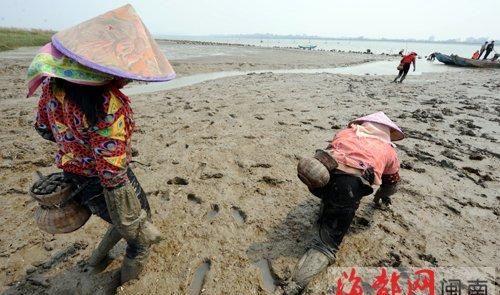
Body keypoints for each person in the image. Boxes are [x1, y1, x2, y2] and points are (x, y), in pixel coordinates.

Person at [27, 4, 175, 285]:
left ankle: (97, 260)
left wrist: (73, 143)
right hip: (104, 183)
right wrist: (124, 206)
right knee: (140, 234)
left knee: (125, 223)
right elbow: (111, 170)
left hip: (72, 177)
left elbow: (44, 129)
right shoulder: (108, 103)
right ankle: (129, 285)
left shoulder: (52, 87)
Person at [285, 112, 403, 294]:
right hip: (348, 187)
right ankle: (295, 285)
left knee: (333, 196)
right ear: (386, 133)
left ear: (364, 124)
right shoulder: (389, 151)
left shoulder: (346, 133)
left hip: (320, 180)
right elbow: (391, 183)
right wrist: (381, 197)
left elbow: (330, 153)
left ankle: (328, 205)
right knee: (326, 244)